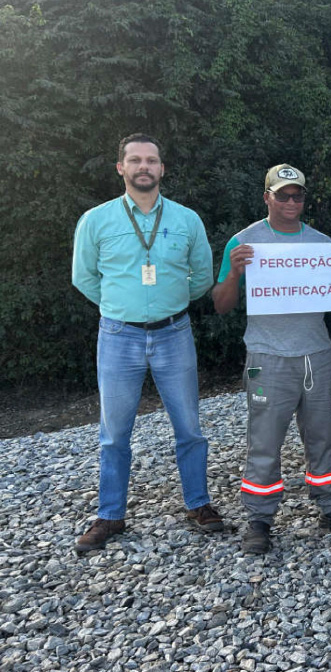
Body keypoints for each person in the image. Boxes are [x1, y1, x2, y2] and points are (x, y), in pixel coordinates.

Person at [72, 133, 222, 553]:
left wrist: (167, 304)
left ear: (162, 168)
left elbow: (202, 278)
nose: (144, 167)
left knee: (190, 427)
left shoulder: (187, 219)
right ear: (121, 168)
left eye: (151, 160)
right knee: (114, 433)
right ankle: (110, 514)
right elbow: (83, 277)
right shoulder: (96, 220)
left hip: (174, 334)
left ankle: (199, 503)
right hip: (118, 336)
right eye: (135, 160)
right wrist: (122, 306)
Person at [213, 164, 331, 554]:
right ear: (267, 197)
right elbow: (221, 305)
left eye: (297, 195)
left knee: (322, 435)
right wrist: (233, 273)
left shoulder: (319, 242)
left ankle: (330, 504)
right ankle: (259, 518)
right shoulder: (244, 243)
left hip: (315, 353)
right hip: (266, 356)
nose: (291, 202)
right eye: (282, 195)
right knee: (264, 438)